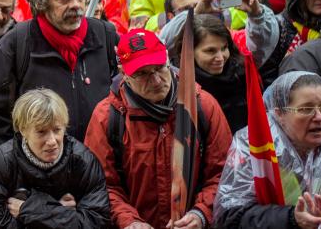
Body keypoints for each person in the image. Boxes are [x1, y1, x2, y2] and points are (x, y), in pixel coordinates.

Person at [83, 28, 233, 229]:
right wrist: (129, 221)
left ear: (168, 60)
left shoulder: (202, 106)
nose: (155, 80)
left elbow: (224, 172)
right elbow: (101, 185)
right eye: (142, 74)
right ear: (124, 75)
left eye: (159, 68)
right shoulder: (106, 117)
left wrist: (201, 213)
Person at [0, 0, 118, 146]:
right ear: (42, 2)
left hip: (100, 163)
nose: (75, 4)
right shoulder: (15, 45)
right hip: (38, 166)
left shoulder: (105, 35)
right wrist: (22, 163)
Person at [214, 71, 321, 228]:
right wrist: (292, 219)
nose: (319, 117)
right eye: (306, 109)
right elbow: (227, 217)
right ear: (279, 114)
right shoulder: (256, 150)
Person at [0, 89, 110, 229]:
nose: (52, 141)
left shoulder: (82, 160)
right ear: (23, 130)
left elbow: (97, 222)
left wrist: (31, 210)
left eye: (57, 130)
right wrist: (61, 213)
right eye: (41, 131)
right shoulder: (3, 160)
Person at [159, 0, 281, 131]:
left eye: (224, 48)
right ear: (189, 51)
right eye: (210, 51)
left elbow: (263, 45)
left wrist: (257, 15)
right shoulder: (175, 81)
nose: (220, 57)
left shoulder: (241, 69)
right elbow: (163, 42)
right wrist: (195, 13)